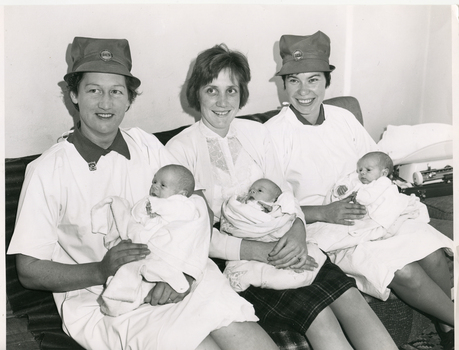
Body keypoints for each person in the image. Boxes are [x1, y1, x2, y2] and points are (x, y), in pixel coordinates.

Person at [7, 36, 279, 350]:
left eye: (116, 92)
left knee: (247, 334)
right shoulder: (47, 170)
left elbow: (197, 208)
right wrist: (101, 269)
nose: (106, 103)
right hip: (106, 300)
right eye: (94, 90)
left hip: (176, 273)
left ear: (128, 100)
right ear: (74, 96)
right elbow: (29, 271)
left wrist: (185, 273)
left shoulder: (146, 145)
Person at [166, 43, 397, 350]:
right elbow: (193, 235)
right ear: (196, 93)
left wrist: (299, 231)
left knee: (351, 297)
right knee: (321, 317)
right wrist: (258, 251)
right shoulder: (178, 150)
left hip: (284, 234)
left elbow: (285, 196)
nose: (222, 102)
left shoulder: (257, 134)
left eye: (231, 91)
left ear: (241, 94)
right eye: (212, 90)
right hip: (234, 257)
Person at [264, 31, 454, 349]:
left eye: (313, 80)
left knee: (434, 255)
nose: (304, 91)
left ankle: (449, 334)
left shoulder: (343, 119)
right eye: (294, 81)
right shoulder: (272, 134)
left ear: (326, 82)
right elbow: (273, 207)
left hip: (372, 214)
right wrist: (325, 211)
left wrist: (378, 196)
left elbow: (376, 169)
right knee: (405, 271)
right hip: (324, 230)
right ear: (284, 85)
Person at [91, 164, 210, 317]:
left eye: (162, 185)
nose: (154, 187)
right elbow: (136, 218)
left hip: (168, 253)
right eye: (154, 182)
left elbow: (175, 216)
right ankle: (120, 299)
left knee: (148, 274)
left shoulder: (183, 205)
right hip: (147, 250)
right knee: (129, 274)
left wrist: (151, 206)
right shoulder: (154, 203)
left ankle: (129, 298)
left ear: (181, 193)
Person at [311, 151, 432, 252]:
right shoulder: (358, 180)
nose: (362, 173)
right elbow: (346, 187)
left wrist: (356, 196)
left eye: (368, 170)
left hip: (379, 210)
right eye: (360, 170)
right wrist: (341, 190)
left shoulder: (383, 182)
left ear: (383, 173)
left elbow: (368, 197)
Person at [220, 178, 327, 292]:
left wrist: (297, 226)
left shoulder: (277, 209)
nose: (252, 192)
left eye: (260, 190)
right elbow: (234, 216)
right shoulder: (241, 205)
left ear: (274, 199)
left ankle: (278, 274)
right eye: (251, 190)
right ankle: (261, 274)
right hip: (245, 241)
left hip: (277, 237)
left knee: (312, 254)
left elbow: (288, 209)